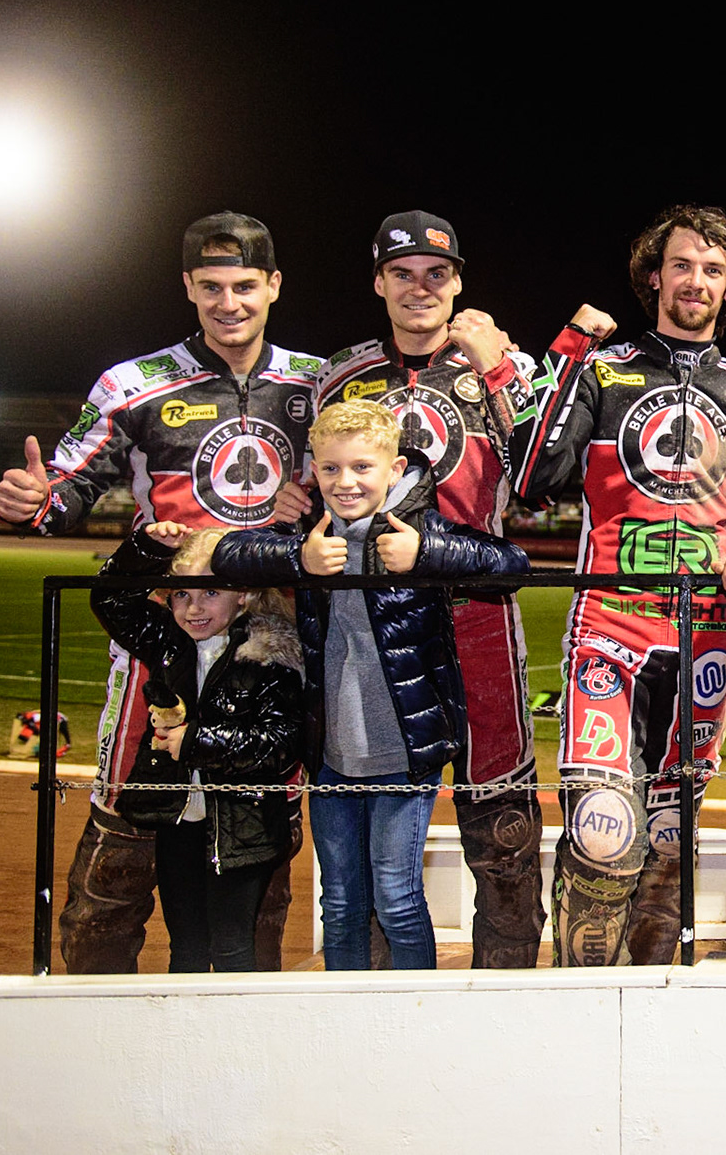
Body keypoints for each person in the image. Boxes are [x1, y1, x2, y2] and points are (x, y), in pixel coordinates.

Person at [0, 211, 316, 974]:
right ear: (187, 288)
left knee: (259, 853)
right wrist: (35, 499)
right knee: (121, 849)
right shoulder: (135, 384)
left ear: (273, 286)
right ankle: (92, 1023)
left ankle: (246, 1021)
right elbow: (68, 487)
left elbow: (363, 474)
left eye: (244, 285)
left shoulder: (316, 379)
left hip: (272, 652)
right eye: (211, 287)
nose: (228, 303)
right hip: (158, 649)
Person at [510, 205, 726, 966]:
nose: (695, 280)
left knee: (669, 847)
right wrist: (568, 351)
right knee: (604, 830)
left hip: (705, 639)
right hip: (610, 623)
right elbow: (533, 476)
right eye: (682, 264)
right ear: (654, 275)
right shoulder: (603, 372)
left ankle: (655, 1019)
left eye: (712, 269)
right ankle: (579, 1006)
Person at [214, 399, 531, 970]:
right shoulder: (309, 531)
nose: (346, 482)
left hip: (403, 748)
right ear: (314, 469)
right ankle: (344, 1020)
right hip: (331, 751)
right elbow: (228, 553)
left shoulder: (418, 524)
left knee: (397, 898)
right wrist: (297, 557)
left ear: (392, 468)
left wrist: (427, 552)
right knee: (338, 902)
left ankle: (413, 1016)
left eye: (363, 467)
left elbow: (511, 562)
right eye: (331, 468)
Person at [314, 211, 545, 968]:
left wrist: (502, 370)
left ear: (459, 282)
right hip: (374, 634)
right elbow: (305, 483)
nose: (420, 289)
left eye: (436, 274)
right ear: (378, 282)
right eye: (403, 274)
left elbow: (548, 476)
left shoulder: (501, 363)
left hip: (479, 622)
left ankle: (500, 1008)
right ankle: (379, 1016)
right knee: (375, 851)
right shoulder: (340, 374)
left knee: (502, 832)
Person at [90, 525, 303, 972]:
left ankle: (234, 1040)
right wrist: (147, 549)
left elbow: (282, 746)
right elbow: (109, 600)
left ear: (243, 595)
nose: (193, 608)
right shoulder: (168, 642)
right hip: (177, 820)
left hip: (244, 828)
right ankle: (181, 1040)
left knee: (232, 947)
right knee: (185, 947)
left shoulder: (271, 653)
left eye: (209, 592)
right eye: (181, 594)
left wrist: (196, 743)